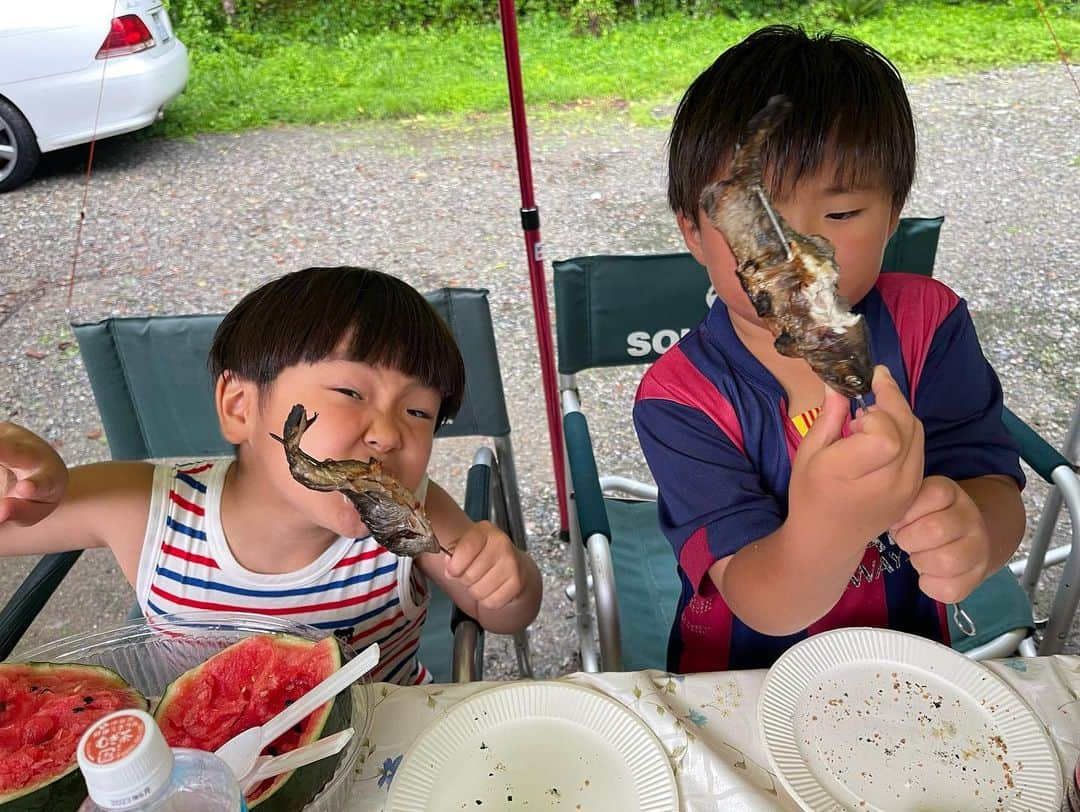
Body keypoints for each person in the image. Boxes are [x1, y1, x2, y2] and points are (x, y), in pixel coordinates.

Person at [633, 25, 1025, 672]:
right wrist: (829, 528)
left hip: (908, 666)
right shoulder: (680, 399)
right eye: (752, 223)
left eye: (840, 216)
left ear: (894, 216)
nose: (797, 254)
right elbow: (760, 600)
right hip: (740, 683)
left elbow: (992, 481)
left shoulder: (929, 324)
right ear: (696, 234)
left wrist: (975, 533)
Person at [0, 266, 541, 684]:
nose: (389, 434)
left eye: (419, 412)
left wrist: (506, 578)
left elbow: (504, 615)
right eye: (351, 393)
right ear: (240, 406)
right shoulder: (141, 507)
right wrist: (18, 474)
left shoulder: (415, 512)